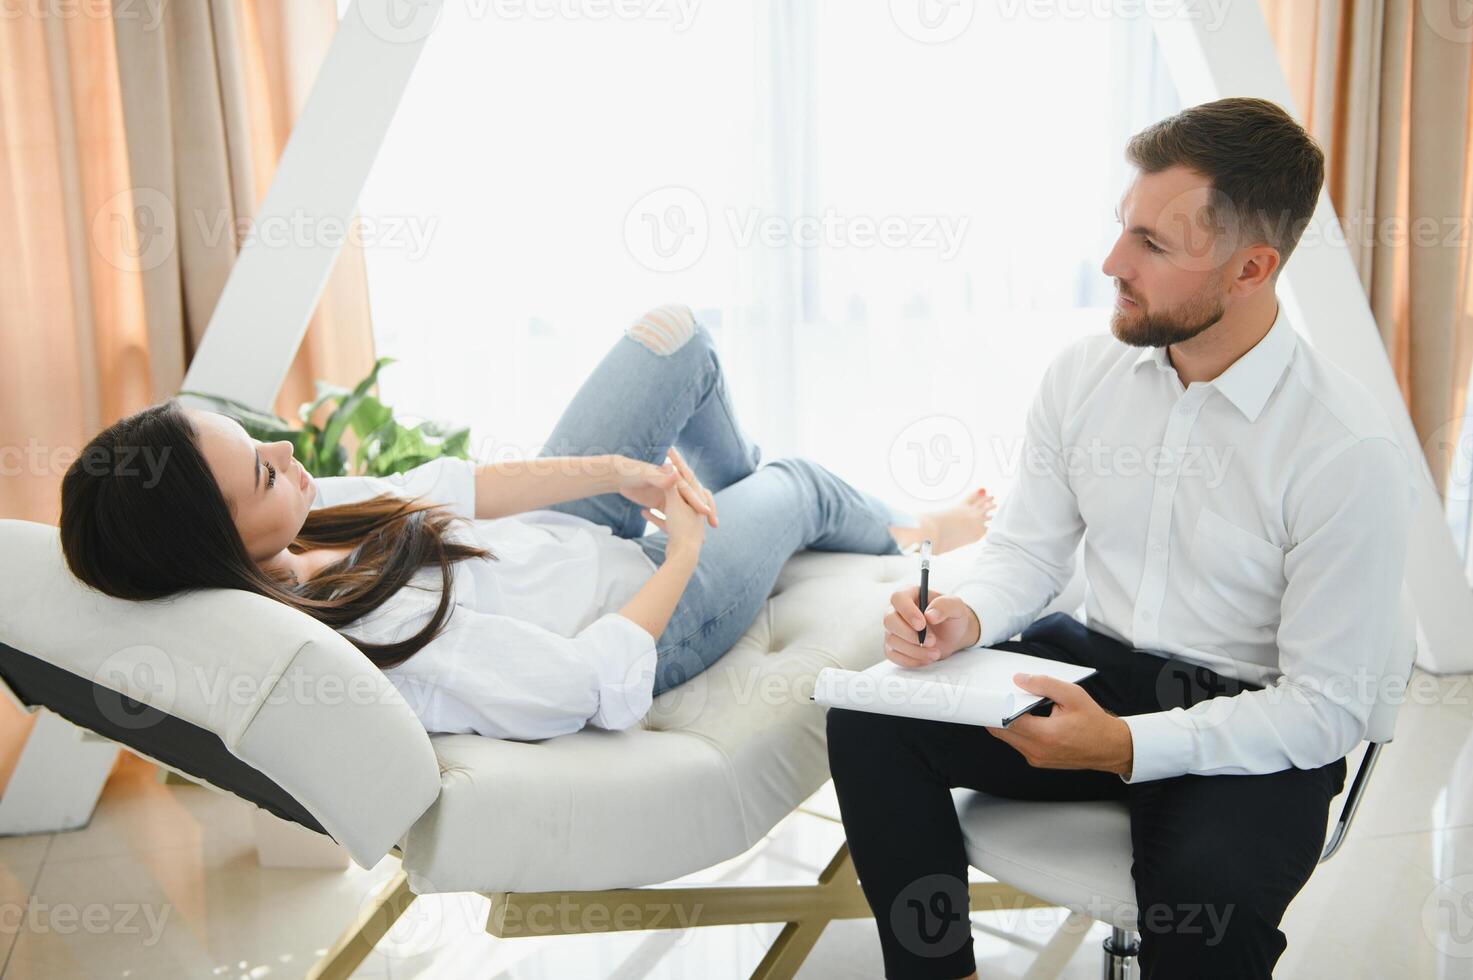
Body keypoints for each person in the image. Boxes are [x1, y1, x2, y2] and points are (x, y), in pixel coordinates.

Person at [826, 97, 1417, 979]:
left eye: (1152, 245)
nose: (1111, 263)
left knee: (1206, 906)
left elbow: (1327, 707)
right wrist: (966, 618)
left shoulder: (1344, 449)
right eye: (1121, 229)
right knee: (870, 716)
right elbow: (1028, 552)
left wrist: (1131, 746)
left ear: (1251, 267)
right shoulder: (1083, 377)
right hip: (1094, 668)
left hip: (1250, 725)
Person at [57, 303, 996, 741]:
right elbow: (580, 686)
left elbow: (454, 489)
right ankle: (908, 532)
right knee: (794, 482)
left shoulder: (297, 529)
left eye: (267, 447)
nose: (298, 461)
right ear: (220, 546)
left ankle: (747, 504)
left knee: (678, 341)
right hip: (651, 614)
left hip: (575, 538)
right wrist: (690, 547)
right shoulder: (372, 631)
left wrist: (613, 471)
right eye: (267, 474)